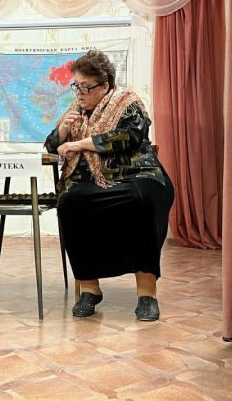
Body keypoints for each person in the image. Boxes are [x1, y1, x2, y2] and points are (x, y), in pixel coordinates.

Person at [44, 50, 174, 321]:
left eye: (86, 87)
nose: (79, 93)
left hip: (136, 173)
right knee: (70, 203)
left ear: (104, 86)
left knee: (143, 201)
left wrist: (80, 143)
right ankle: (89, 289)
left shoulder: (128, 103)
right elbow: (52, 145)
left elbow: (128, 137)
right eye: (76, 86)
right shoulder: (75, 110)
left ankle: (147, 293)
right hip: (90, 179)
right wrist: (63, 130)